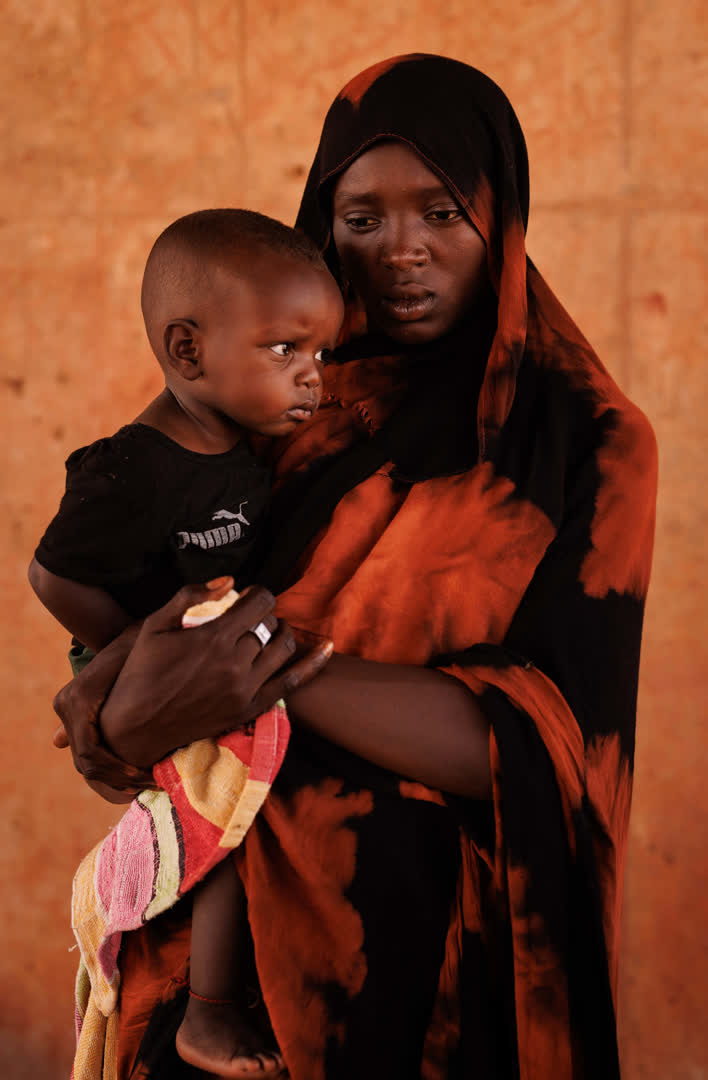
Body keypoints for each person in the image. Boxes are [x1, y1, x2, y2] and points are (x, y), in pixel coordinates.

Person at [53, 54, 658, 1080]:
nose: (401, 253)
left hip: (425, 977)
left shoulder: (581, 437)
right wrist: (115, 705)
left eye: (441, 212)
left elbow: (552, 752)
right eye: (362, 216)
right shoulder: (279, 401)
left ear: (500, 218)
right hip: (206, 968)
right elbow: (139, 665)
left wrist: (259, 664)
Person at [29, 207, 344, 1078]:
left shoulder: (242, 440)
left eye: (319, 356)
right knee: (237, 802)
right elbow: (52, 576)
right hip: (143, 656)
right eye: (286, 352)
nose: (312, 380)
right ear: (188, 352)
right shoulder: (134, 470)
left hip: (196, 651)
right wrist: (138, 656)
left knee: (248, 793)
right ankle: (208, 1014)